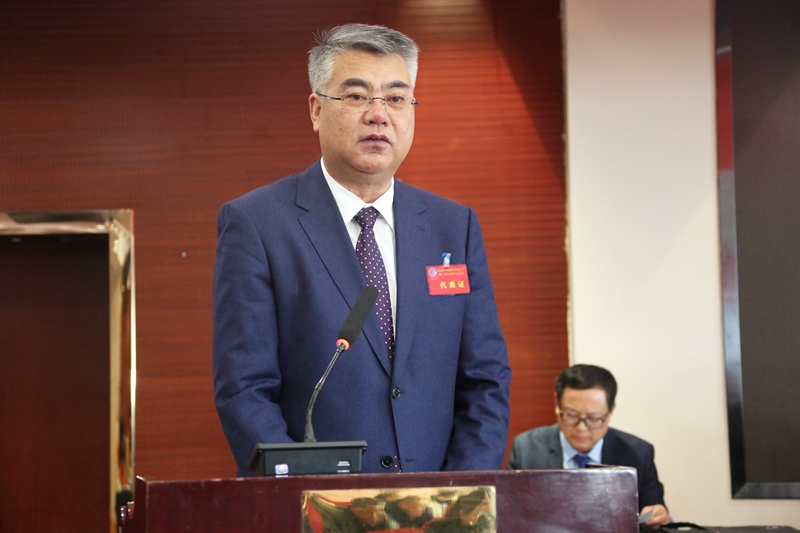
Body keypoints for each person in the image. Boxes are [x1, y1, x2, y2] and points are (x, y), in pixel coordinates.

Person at [213, 23, 511, 476]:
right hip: (315, 502)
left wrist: (461, 492)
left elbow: (485, 380)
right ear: (316, 110)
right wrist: (303, 496)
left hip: (439, 502)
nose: (378, 115)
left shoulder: (454, 226)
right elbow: (244, 387)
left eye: (396, 98)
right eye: (356, 96)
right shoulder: (257, 223)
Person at [506, 364, 670, 530]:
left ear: (611, 411)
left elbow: (654, 512)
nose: (581, 428)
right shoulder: (526, 449)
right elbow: (508, 515)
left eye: (593, 418)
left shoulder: (638, 453)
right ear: (557, 405)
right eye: (571, 415)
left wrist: (657, 516)